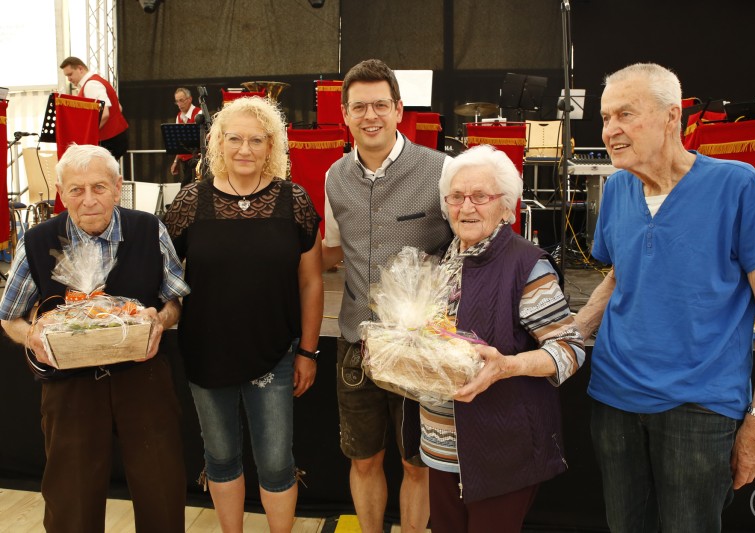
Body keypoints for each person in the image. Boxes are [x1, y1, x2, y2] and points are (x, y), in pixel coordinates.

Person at [575, 63, 755, 532]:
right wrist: (570, 333)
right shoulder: (616, 190)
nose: (611, 130)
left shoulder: (737, 185)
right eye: (606, 117)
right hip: (614, 399)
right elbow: (618, 277)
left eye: (625, 115)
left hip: (700, 406)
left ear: (672, 117)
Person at [0, 143, 189, 533]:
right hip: (69, 388)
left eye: (99, 187)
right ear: (61, 192)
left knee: (162, 490)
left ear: (118, 188)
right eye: (76, 189)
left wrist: (159, 319)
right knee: (71, 500)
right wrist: (33, 336)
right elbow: (9, 318)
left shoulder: (149, 229)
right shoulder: (37, 241)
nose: (88, 200)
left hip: (143, 379)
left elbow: (174, 301)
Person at [163, 96, 323, 533]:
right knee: (219, 456)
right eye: (234, 138)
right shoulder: (188, 202)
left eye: (257, 139)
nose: (245, 149)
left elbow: (311, 282)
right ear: (217, 142)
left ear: (272, 145)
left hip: (275, 352)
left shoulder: (295, 201)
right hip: (206, 352)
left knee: (275, 461)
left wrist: (308, 351)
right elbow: (166, 278)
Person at [413, 144, 585, 532]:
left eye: (481, 196)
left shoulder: (527, 265)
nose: (466, 206)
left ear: (507, 207)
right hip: (440, 444)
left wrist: (507, 366)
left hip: (500, 449)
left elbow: (570, 349)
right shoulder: (442, 260)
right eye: (456, 196)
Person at [322, 58, 452, 533]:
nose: (370, 115)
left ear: (399, 110)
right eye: (360, 107)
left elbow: (469, 245)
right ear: (345, 114)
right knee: (362, 459)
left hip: (420, 344)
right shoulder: (335, 178)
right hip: (356, 343)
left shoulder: (441, 169)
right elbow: (332, 252)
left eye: (381, 104)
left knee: (418, 463)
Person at [59, 57, 129, 160]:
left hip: (108, 141)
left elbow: (105, 113)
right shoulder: (97, 81)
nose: (69, 79)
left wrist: (87, 135)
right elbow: (119, 107)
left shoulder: (91, 85)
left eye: (70, 74)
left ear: (80, 68)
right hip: (116, 138)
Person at [170, 87, 202, 186]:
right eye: (177, 101)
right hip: (184, 160)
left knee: (186, 186)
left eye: (181, 100)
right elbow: (179, 141)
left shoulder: (199, 113)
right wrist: (176, 161)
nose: (179, 104)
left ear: (190, 99)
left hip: (196, 158)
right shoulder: (178, 116)